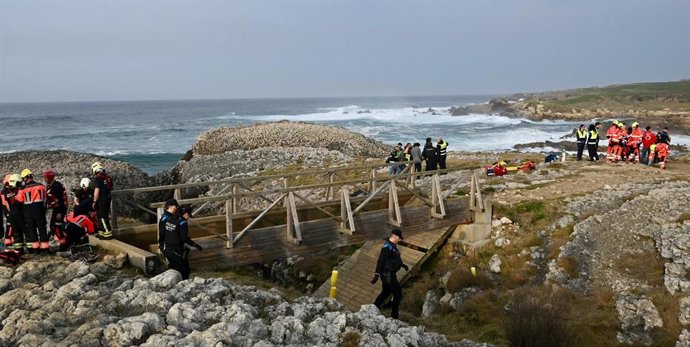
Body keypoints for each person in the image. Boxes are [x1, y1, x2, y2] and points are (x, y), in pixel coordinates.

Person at [158, 199, 202, 280]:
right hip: (175, 249)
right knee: (184, 271)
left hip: (168, 248)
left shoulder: (169, 219)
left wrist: (162, 246)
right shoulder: (179, 222)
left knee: (174, 268)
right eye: (188, 215)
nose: (189, 217)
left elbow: (167, 233)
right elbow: (183, 238)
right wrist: (195, 245)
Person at [371, 228, 409, 319]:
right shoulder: (387, 247)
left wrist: (403, 265)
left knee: (385, 292)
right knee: (398, 294)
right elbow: (380, 261)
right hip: (388, 275)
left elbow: (393, 259)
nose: (400, 240)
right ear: (394, 236)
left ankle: (373, 309)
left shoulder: (392, 246)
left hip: (389, 274)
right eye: (399, 238)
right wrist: (376, 274)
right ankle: (394, 316)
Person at [16, 169, 49, 253]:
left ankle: (36, 249)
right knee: (42, 229)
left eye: (23, 178)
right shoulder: (41, 186)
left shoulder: (23, 189)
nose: (23, 180)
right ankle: (45, 248)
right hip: (40, 211)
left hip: (28, 212)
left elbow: (18, 201)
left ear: (26, 178)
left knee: (32, 230)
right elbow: (45, 197)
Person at [2, 174, 28, 252]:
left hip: (12, 213)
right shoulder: (19, 191)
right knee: (26, 230)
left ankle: (18, 248)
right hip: (20, 213)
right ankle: (31, 248)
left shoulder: (7, 191)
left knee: (16, 232)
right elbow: (21, 201)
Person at [44, 170, 68, 241]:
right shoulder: (50, 186)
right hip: (55, 209)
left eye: (45, 178)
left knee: (57, 226)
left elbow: (61, 200)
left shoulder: (57, 186)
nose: (45, 179)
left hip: (59, 209)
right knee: (52, 225)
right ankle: (56, 238)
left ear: (49, 178)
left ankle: (62, 241)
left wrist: (60, 212)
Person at [92, 162, 114, 239]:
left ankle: (107, 233)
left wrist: (94, 201)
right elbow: (111, 187)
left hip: (102, 199)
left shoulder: (98, 178)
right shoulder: (108, 177)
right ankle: (101, 232)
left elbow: (96, 191)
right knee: (101, 215)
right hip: (108, 198)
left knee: (102, 216)